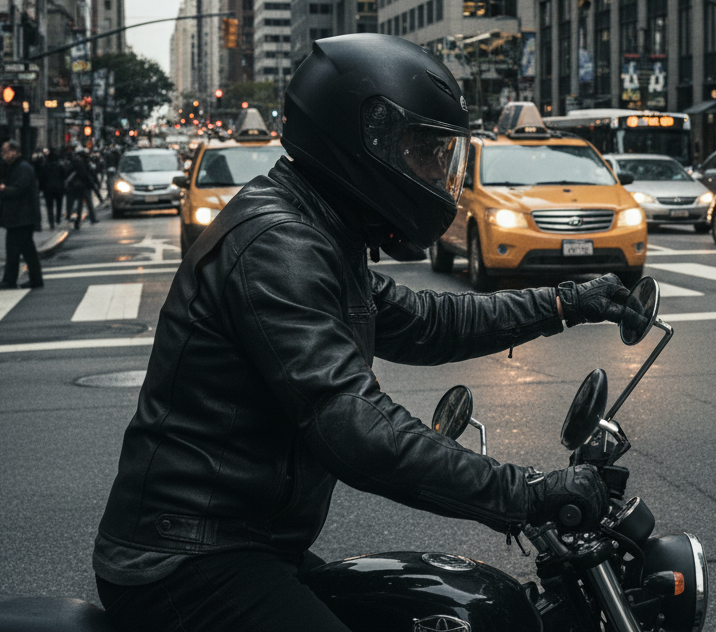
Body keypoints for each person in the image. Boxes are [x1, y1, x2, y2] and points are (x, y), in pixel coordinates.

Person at [93, 34, 640, 632]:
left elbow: (429, 321)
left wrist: (565, 301)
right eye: (425, 153)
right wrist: (527, 492)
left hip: (248, 541)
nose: (438, 174)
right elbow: (351, 423)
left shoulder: (321, 234)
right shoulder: (279, 245)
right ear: (364, 143)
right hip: (187, 558)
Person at [0, 140, 43, 290]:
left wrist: (4, 189)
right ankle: (35, 279)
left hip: (21, 216)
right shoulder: (16, 167)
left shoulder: (22, 168)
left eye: (5, 151)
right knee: (26, 250)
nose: (3, 155)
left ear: (14, 152)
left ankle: (10, 280)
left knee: (14, 249)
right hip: (20, 217)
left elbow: (20, 189)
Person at [66, 147, 99, 228]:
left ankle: (75, 220)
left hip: (75, 186)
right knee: (87, 203)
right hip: (83, 186)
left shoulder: (73, 163)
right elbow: (87, 175)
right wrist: (92, 183)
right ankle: (91, 218)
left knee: (77, 204)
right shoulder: (84, 163)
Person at [39, 148, 67, 229]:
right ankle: (58, 219)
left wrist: (41, 188)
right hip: (59, 188)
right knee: (59, 204)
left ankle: (51, 222)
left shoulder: (45, 166)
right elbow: (64, 176)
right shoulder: (60, 166)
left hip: (48, 188)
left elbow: (42, 178)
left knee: (49, 206)